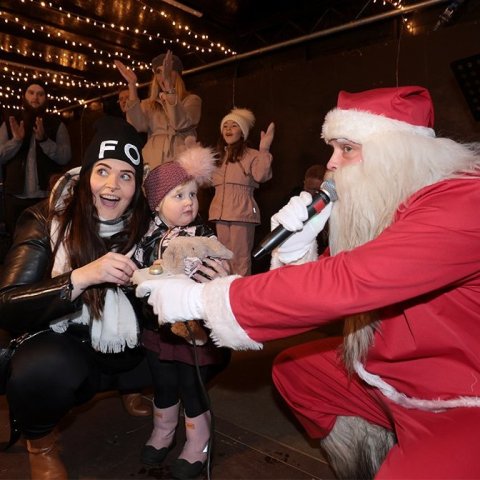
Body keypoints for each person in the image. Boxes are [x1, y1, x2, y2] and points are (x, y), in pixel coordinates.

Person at [135, 86, 480, 479]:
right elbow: (327, 290)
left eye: (346, 148)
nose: (331, 163)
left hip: (462, 398)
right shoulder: (388, 207)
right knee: (295, 372)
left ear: (395, 152)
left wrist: (202, 299)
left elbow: (352, 281)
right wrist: (299, 252)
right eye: (332, 148)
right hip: (393, 376)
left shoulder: (464, 199)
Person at [0, 116, 153, 479]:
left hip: (121, 349)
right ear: (85, 176)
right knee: (45, 368)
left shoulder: (149, 225)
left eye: (125, 175)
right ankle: (41, 443)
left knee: (202, 344)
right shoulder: (45, 218)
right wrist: (80, 278)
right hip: (63, 342)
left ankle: (131, 386)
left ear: (136, 187)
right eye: (102, 171)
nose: (112, 185)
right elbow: (6, 303)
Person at [132, 146, 231, 479]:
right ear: (157, 204)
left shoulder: (202, 235)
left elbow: (219, 267)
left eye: (192, 194)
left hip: (194, 332)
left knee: (191, 386)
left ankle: (198, 442)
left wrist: (218, 273)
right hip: (157, 328)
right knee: (162, 383)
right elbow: (136, 272)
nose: (189, 201)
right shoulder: (145, 238)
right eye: (178, 195)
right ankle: (163, 431)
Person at [208, 108, 274, 276]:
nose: (228, 129)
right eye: (225, 126)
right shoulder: (218, 156)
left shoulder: (251, 155)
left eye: (234, 125)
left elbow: (261, 175)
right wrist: (196, 158)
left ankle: (241, 293)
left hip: (241, 211)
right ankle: (226, 291)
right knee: (224, 256)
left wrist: (264, 150)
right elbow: (204, 181)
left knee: (240, 258)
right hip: (220, 212)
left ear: (243, 132)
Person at [0, 81, 72, 236]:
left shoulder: (57, 123)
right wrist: (16, 141)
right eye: (31, 92)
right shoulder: (10, 123)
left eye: (40, 94)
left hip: (46, 198)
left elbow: (66, 157)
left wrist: (45, 140)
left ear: (46, 98)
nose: (35, 97)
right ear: (24, 96)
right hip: (15, 197)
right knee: (16, 244)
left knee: (45, 243)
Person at [114, 50, 202, 170]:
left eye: (167, 70)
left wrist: (169, 89)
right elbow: (136, 125)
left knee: (180, 189)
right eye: (159, 72)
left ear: (177, 74)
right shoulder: (149, 104)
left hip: (181, 159)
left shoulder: (191, 100)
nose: (163, 75)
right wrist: (132, 86)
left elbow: (180, 124)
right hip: (152, 160)